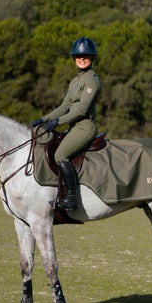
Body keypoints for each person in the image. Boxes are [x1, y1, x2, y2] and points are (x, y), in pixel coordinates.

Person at [32, 37, 101, 210]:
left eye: (85, 56)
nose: (82, 59)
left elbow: (82, 110)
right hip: (73, 127)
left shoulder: (92, 80)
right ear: (74, 58)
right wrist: (45, 119)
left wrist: (57, 122)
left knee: (60, 155)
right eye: (78, 56)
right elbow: (65, 106)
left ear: (91, 58)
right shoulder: (75, 81)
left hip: (85, 127)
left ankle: (71, 198)